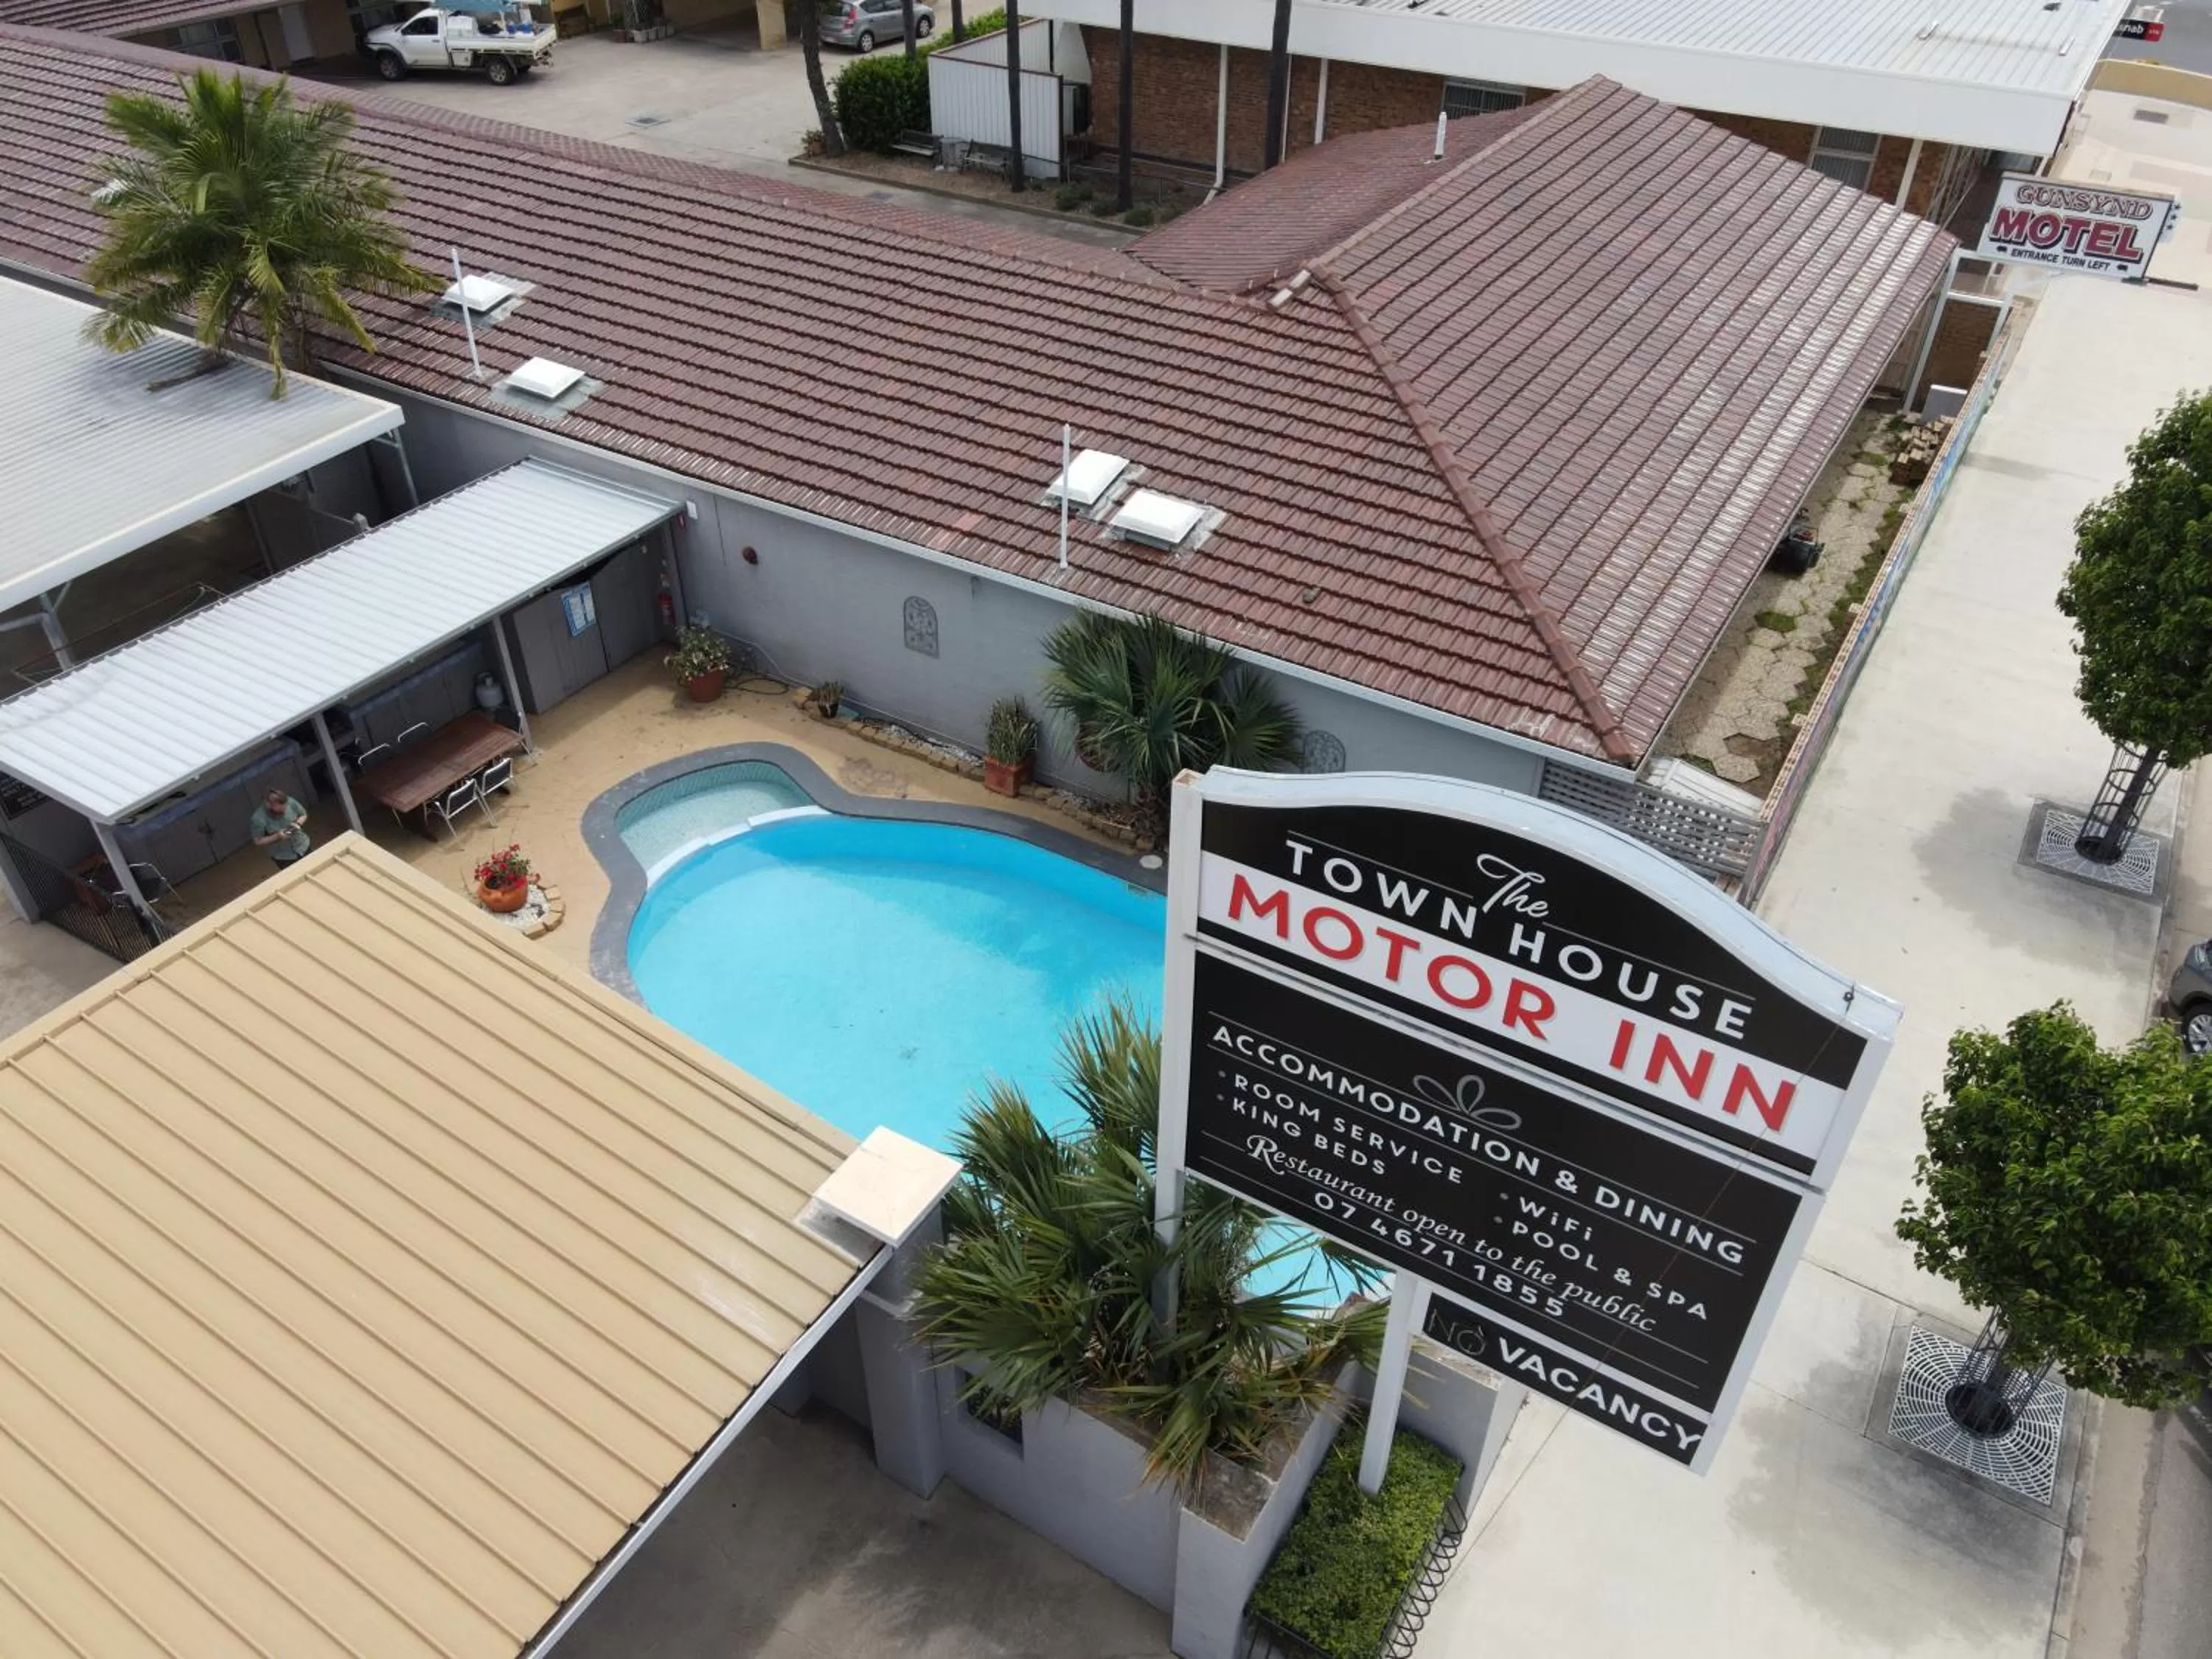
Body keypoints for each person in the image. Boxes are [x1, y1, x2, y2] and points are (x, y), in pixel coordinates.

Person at [249, 787, 310, 866]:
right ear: (268, 805)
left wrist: (297, 824)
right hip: (284, 857)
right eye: (280, 809)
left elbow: (303, 814)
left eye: (285, 807)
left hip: (303, 845)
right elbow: (258, 841)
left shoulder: (290, 801)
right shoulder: (258, 819)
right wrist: (278, 836)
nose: (284, 810)